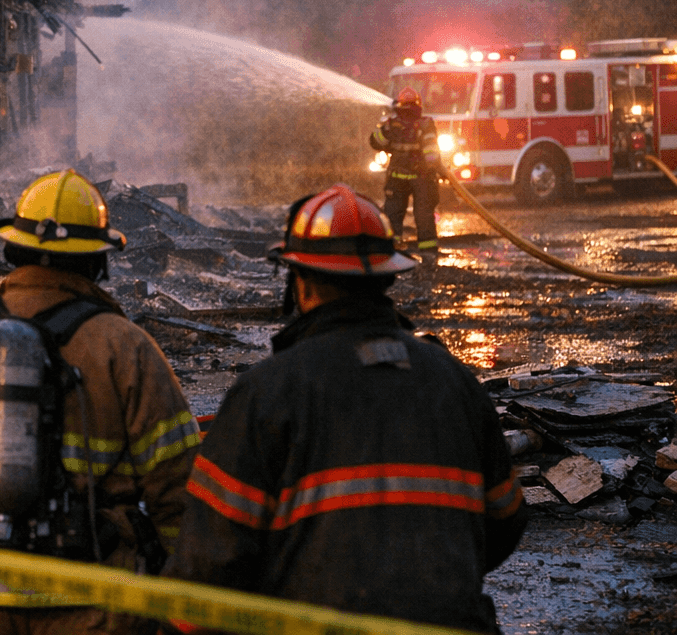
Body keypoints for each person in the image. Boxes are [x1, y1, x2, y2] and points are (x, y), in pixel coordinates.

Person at [167, 184, 526, 634]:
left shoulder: (267, 393)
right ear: (386, 279)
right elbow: (506, 521)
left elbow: (210, 562)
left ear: (300, 281)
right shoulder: (455, 381)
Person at [0, 169, 200, 635]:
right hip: (96, 610)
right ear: (97, 260)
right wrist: (176, 597)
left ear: (14, 250)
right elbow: (179, 486)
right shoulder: (126, 348)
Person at [369, 86, 442, 258]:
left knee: (393, 216)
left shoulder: (391, 125)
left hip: (397, 178)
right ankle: (429, 254)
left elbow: (374, 142)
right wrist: (436, 168)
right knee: (424, 216)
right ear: (418, 105)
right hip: (422, 178)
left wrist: (385, 128)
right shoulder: (425, 124)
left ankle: (392, 253)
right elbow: (431, 152)